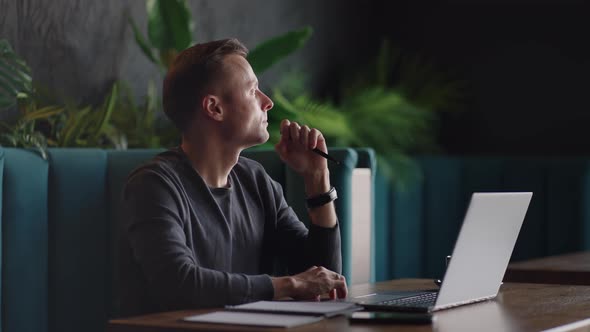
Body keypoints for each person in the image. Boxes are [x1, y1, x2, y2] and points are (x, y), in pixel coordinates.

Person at [118, 38, 347, 316]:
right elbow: (177, 283)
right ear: (214, 108)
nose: (268, 102)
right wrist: (289, 285)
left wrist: (317, 178)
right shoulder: (154, 184)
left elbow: (324, 278)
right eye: (253, 91)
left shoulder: (256, 181)